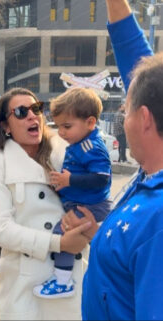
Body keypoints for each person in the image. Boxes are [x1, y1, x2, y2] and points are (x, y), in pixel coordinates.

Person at [67, 1, 163, 319]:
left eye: (125, 110)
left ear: (145, 119)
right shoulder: (149, 183)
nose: (122, 119)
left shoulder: (157, 221)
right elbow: (139, 62)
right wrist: (102, 233)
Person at [0, 87, 93, 320]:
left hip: (74, 281)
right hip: (26, 288)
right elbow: (1, 229)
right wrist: (60, 243)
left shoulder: (65, 151)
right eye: (20, 111)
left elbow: (96, 197)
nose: (32, 115)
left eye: (36, 108)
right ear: (5, 126)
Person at [33, 87, 112, 299]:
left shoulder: (90, 147)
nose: (61, 132)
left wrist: (69, 180)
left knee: (61, 235)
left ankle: (62, 281)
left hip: (91, 206)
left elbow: (101, 178)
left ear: (90, 122)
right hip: (81, 202)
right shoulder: (78, 143)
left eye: (67, 126)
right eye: (59, 127)